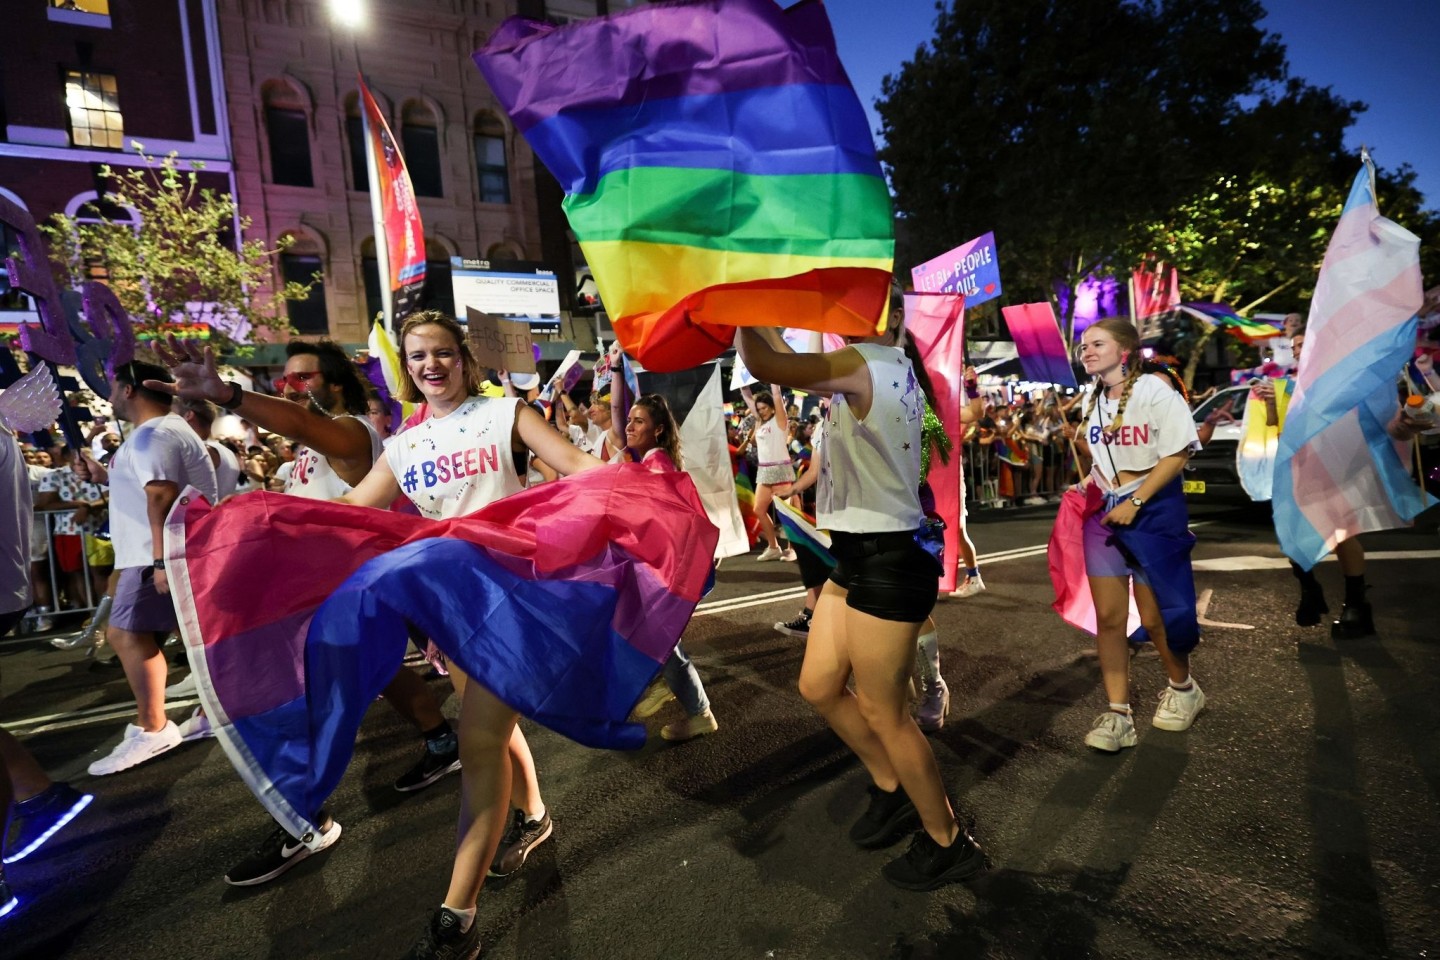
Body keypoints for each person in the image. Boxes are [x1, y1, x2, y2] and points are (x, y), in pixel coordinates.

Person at [330, 312, 606, 959]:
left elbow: (573, 462)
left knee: (478, 744)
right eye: (418, 355)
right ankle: (535, 817)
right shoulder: (401, 447)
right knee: (499, 732)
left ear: (464, 359)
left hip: (512, 603)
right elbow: (346, 513)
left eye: (443, 353)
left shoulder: (503, 414)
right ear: (406, 365)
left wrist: (629, 486)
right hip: (451, 612)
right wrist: (257, 521)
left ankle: (458, 918)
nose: (431, 365)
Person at [151, 336, 466, 886]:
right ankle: (440, 742)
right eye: (287, 379)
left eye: (305, 378)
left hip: (347, 588)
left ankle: (305, 818)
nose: (291, 387)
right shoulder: (303, 454)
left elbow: (300, 425)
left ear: (336, 384)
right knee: (371, 677)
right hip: (321, 594)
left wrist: (226, 393)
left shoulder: (348, 434)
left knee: (312, 704)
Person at [736, 287, 986, 892]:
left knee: (885, 711)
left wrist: (737, 300)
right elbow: (774, 351)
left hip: (889, 563)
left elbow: (769, 363)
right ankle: (891, 786)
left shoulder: (866, 363)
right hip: (855, 556)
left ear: (893, 319)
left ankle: (949, 840)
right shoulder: (876, 366)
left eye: (857, 303)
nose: (837, 315)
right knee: (819, 684)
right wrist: (752, 302)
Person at [73, 362, 218, 776]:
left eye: (114, 386)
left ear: (130, 389)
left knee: (125, 634)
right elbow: (147, 489)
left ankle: (154, 727)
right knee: (192, 638)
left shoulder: (154, 434)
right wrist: (103, 475)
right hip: (155, 552)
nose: (110, 394)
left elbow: (161, 497)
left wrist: (159, 560)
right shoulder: (156, 433)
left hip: (152, 554)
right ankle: (212, 711)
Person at [1073, 318, 1204, 753]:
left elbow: (1179, 452)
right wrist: (1086, 484)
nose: (1086, 350)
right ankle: (1118, 714)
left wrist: (1138, 500)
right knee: (1109, 619)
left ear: (1125, 351)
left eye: (1097, 344)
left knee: (1155, 618)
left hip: (1151, 512)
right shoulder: (1091, 400)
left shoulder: (1154, 391)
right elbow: (1104, 460)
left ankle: (1184, 689)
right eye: (1083, 345)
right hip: (1105, 514)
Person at [1261, 327, 1431, 636]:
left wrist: (1406, 422)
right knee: (1291, 534)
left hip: (1336, 469)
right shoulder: (1286, 385)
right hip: (1298, 470)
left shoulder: (1347, 382)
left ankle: (1356, 606)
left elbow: (1380, 423)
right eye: (1295, 345)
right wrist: (1272, 401)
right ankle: (1310, 589)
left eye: (1304, 343)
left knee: (1341, 534)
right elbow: (1275, 424)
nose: (1298, 349)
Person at [620, 394, 719, 742]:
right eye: (629, 420)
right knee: (656, 641)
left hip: (658, 573)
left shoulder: (656, 464)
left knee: (657, 641)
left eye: (639, 421)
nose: (630, 426)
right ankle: (673, 688)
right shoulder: (649, 462)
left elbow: (664, 521)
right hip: (653, 571)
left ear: (658, 430)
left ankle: (697, 710)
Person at [744, 385, 796, 561]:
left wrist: (774, 380)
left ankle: (791, 549)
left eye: (764, 407)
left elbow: (777, 394)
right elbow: (746, 395)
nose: (761, 411)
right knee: (759, 509)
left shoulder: (780, 420)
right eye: (758, 409)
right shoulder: (760, 422)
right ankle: (774, 547)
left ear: (773, 406)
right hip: (764, 470)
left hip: (781, 469)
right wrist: (742, 381)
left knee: (786, 514)